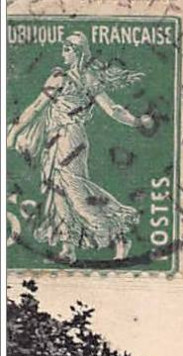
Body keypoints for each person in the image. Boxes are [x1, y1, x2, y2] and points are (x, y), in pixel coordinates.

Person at [7, 34, 153, 262]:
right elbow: (113, 109)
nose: (63, 53)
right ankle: (69, 247)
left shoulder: (60, 78)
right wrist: (135, 121)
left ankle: (119, 233)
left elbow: (36, 107)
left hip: (67, 138)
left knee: (74, 190)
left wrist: (14, 132)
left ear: (77, 51)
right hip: (61, 138)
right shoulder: (89, 78)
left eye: (66, 49)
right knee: (57, 189)